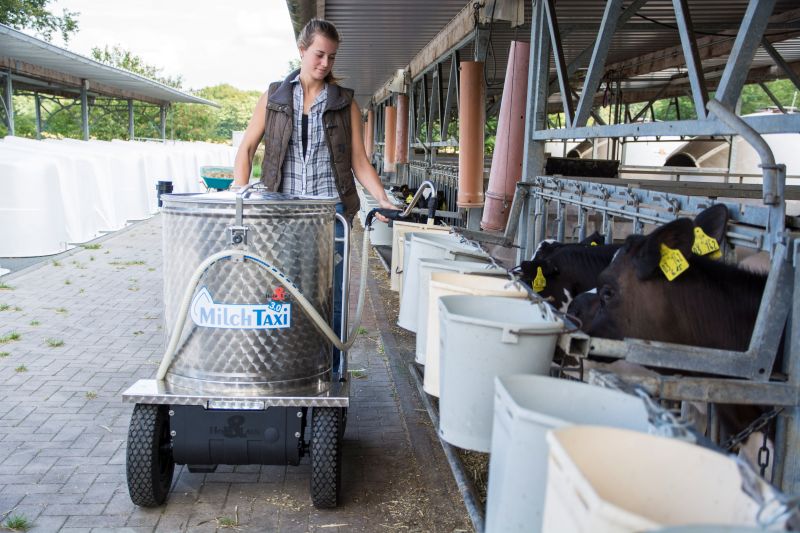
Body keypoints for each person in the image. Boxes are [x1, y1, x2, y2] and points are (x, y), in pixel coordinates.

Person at [233, 18, 396, 373]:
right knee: (279, 291)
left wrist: (382, 199)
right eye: (319, 54)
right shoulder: (274, 98)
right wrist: (239, 199)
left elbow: (359, 162)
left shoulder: (344, 104)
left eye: (332, 57)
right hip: (281, 214)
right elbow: (245, 149)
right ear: (302, 50)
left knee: (330, 295)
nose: (325, 63)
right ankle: (282, 366)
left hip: (330, 214)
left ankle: (331, 370)